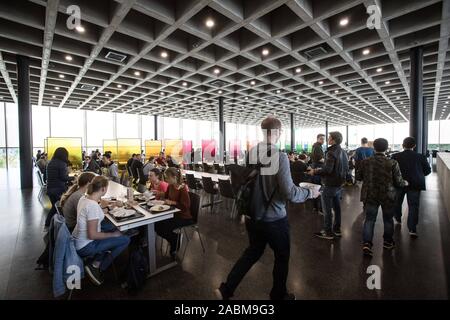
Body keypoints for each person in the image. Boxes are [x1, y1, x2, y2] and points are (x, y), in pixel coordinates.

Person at [216, 116, 320, 301]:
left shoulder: (252, 153)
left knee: (252, 252)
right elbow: (289, 192)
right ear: (278, 132)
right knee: (282, 256)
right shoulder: (280, 157)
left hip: (253, 215)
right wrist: (309, 193)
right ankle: (278, 295)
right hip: (274, 218)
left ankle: (226, 288)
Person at [73, 176, 130, 285]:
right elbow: (93, 235)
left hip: (77, 240)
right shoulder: (92, 206)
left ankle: (97, 262)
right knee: (125, 239)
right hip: (86, 246)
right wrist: (113, 234)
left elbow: (94, 214)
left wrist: (110, 207)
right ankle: (99, 267)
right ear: (103, 189)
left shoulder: (84, 198)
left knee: (112, 229)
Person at [356, 138, 408, 256]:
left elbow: (358, 177)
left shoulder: (365, 162)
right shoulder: (392, 163)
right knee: (388, 220)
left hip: (370, 194)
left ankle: (367, 244)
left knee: (369, 220)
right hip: (388, 195)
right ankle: (388, 242)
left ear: (374, 147)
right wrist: (405, 182)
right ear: (386, 148)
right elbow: (399, 182)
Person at [309, 131, 349, 239]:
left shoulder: (331, 152)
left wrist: (315, 171)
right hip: (339, 184)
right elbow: (346, 168)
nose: (328, 139)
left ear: (334, 140)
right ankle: (337, 229)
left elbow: (328, 169)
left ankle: (328, 232)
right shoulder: (343, 151)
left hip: (330, 184)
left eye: (329, 138)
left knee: (327, 210)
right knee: (337, 208)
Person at [392, 137, 431, 238]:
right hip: (415, 184)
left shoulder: (395, 156)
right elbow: (427, 170)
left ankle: (398, 218)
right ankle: (412, 229)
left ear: (402, 145)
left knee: (397, 202)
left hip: (399, 184)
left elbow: (391, 170)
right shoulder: (420, 157)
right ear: (414, 146)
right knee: (413, 206)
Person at [154, 167, 192, 258]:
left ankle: (174, 240)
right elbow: (166, 195)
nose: (166, 179)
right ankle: (174, 238)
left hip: (184, 216)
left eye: (167, 177)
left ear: (174, 177)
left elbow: (185, 206)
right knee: (157, 225)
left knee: (163, 228)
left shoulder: (182, 188)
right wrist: (159, 193)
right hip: (173, 213)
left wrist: (172, 202)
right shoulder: (170, 186)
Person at [46, 147, 72, 228]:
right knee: (57, 208)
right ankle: (48, 225)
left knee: (55, 207)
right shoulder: (61, 164)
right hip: (58, 190)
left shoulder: (50, 162)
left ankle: (49, 225)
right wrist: (73, 178)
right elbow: (64, 177)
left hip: (50, 189)